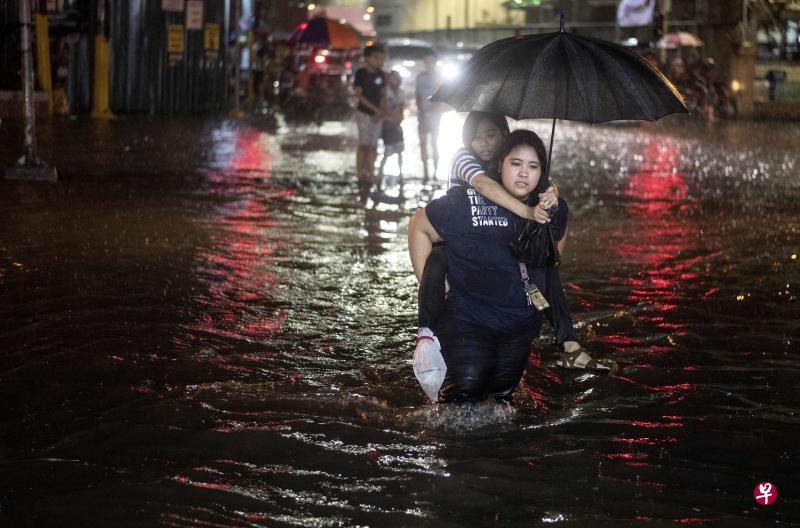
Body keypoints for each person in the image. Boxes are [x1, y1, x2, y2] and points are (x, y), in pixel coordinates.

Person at [415, 112, 609, 373]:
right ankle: (427, 331)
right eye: (475, 138)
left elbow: (535, 178)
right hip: (456, 242)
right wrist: (528, 212)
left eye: (490, 136)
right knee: (438, 264)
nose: (482, 144)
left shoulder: (509, 162)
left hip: (497, 264)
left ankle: (568, 343)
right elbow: (483, 185)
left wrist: (551, 191)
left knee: (547, 265)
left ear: (504, 136)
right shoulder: (465, 157)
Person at [409, 130, 565, 403]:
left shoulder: (554, 209)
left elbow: (552, 263)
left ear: (543, 172)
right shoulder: (464, 201)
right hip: (468, 322)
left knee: (500, 402)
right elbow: (418, 227)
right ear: (499, 164)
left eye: (533, 166)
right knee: (462, 398)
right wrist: (430, 284)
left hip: (520, 328)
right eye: (515, 164)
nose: (523, 174)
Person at [352, 44, 387, 202]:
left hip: (377, 115)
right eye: (376, 58)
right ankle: (361, 174)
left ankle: (370, 173)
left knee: (373, 146)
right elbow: (358, 95)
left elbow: (383, 94)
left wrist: (380, 110)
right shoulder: (361, 73)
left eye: (382, 58)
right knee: (364, 145)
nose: (380, 61)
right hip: (364, 114)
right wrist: (375, 109)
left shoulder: (381, 74)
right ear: (367, 58)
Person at [415, 52, 444, 179]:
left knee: (434, 142)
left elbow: (441, 97)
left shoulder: (439, 77)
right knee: (422, 142)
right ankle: (426, 171)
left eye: (431, 62)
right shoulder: (420, 77)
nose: (429, 65)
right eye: (426, 62)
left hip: (435, 115)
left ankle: (435, 173)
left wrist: (431, 111)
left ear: (435, 63)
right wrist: (421, 111)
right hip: (422, 114)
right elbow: (417, 95)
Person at [378, 70, 406, 186]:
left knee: (399, 151)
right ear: (389, 79)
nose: (395, 80)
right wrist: (394, 117)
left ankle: (400, 175)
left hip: (396, 125)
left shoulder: (401, 92)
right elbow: (383, 109)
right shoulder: (384, 92)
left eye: (397, 78)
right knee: (387, 152)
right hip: (388, 126)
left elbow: (401, 109)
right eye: (393, 78)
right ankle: (380, 174)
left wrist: (396, 118)